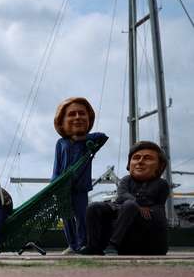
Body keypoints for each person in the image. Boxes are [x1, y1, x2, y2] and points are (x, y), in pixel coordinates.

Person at [81, 141, 170, 255]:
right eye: (136, 158)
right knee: (93, 207)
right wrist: (137, 203)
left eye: (147, 158)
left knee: (130, 205)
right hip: (120, 207)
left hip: (146, 215)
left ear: (160, 166)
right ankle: (93, 246)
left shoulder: (161, 184)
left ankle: (113, 245)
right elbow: (122, 194)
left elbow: (154, 203)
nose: (140, 162)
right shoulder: (126, 180)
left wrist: (136, 205)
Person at [51, 97, 107, 255]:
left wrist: (81, 137)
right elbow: (57, 165)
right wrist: (54, 183)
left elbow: (102, 137)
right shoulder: (61, 143)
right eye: (72, 114)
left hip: (80, 187)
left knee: (82, 216)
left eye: (82, 113)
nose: (77, 117)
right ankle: (72, 244)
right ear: (61, 122)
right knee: (66, 217)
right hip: (62, 187)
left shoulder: (89, 142)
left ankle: (82, 243)